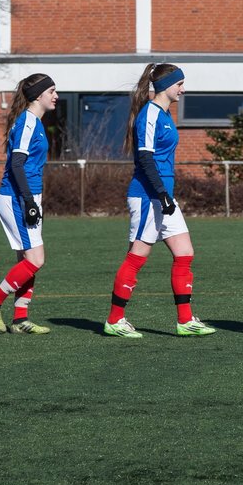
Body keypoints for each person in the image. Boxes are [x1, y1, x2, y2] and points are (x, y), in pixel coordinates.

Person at [102, 63, 217, 338]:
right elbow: (145, 157)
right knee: (136, 258)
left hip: (163, 197)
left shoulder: (164, 114)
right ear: (166, 86)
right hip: (147, 197)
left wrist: (166, 195)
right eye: (180, 84)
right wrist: (162, 194)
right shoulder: (150, 115)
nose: (183, 89)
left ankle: (185, 320)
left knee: (185, 252)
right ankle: (115, 320)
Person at [0, 75, 58, 335]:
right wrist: (28, 201)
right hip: (17, 197)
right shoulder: (27, 122)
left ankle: (20, 320)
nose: (55, 96)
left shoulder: (33, 122)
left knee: (26, 260)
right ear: (38, 95)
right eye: (52, 91)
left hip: (26, 196)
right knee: (36, 259)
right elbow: (16, 164)